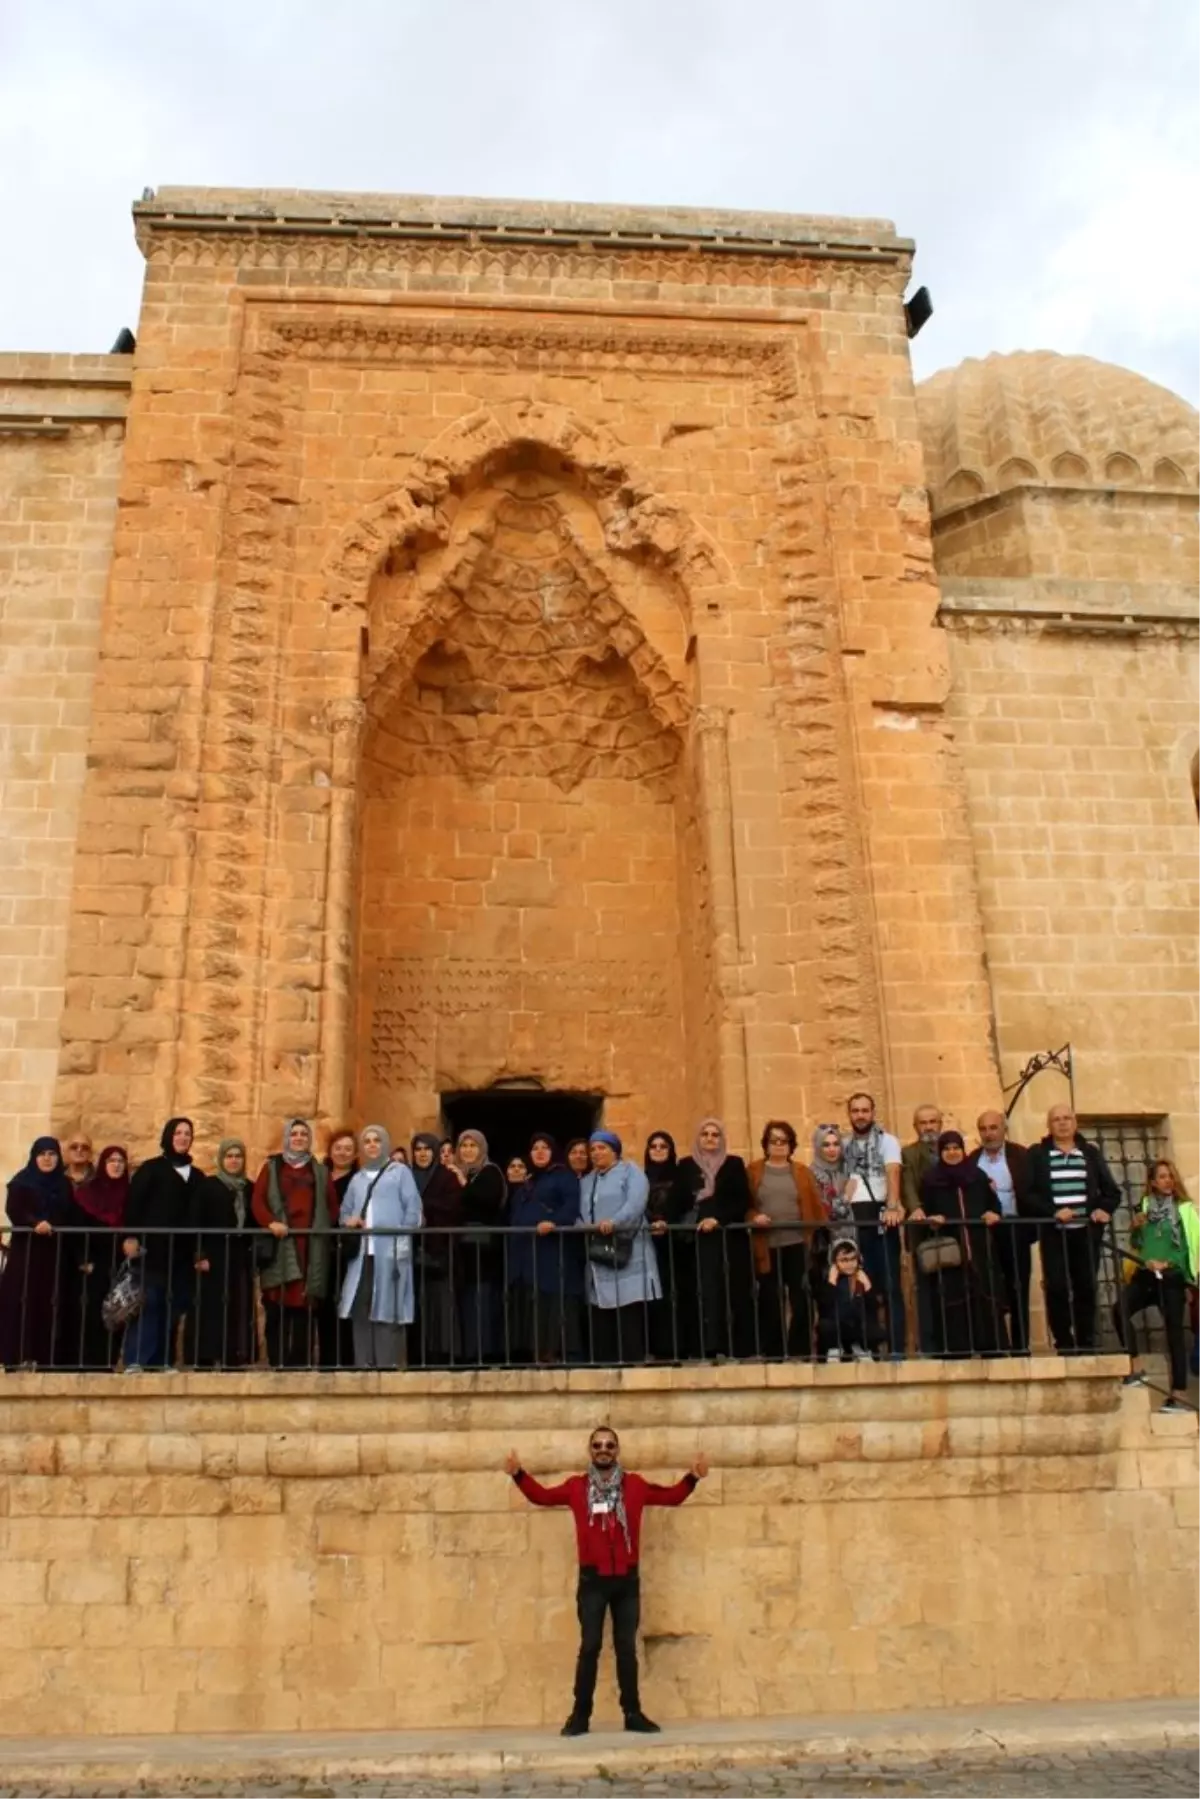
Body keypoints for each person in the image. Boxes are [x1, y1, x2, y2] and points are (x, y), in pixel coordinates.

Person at [505, 1427, 708, 1735]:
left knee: (626, 1648)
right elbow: (542, 1496)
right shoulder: (577, 1487)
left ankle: (633, 1713)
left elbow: (671, 1497)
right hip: (593, 1583)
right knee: (590, 1647)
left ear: (617, 1450)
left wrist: (692, 1477)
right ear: (590, 1451)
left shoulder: (635, 1486)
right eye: (598, 1445)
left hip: (626, 1581)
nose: (603, 1449)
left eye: (609, 1445)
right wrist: (519, 1475)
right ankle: (580, 1716)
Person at [1025, 1103, 1121, 1353]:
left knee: (1086, 1285)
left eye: (1067, 1118)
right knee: (1056, 1286)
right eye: (1056, 1119)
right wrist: (1053, 1212)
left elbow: (1111, 1192)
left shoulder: (1089, 1153)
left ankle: (1086, 1340)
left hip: (1085, 1233)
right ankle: (1064, 1341)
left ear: (1075, 1123)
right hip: (1054, 1231)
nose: (1063, 1123)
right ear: (1049, 1125)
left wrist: (1103, 1209)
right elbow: (1028, 1193)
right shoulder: (1037, 1154)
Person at [1115, 1160, 1198, 1411]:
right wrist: (1135, 1228)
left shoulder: (1185, 1209)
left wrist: (1169, 1263)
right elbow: (1140, 1242)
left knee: (1174, 1333)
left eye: (1170, 1176)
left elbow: (1189, 1247)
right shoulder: (1145, 1207)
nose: (1167, 1181)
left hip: (1172, 1276)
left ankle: (1179, 1393)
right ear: (1152, 1182)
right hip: (1146, 1274)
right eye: (1161, 1177)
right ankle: (1136, 1366)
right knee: (1119, 1310)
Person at [916, 1131, 1008, 1356]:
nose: (952, 1152)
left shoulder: (977, 1176)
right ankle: (957, 1351)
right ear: (941, 1152)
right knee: (952, 1302)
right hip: (949, 1251)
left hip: (979, 1248)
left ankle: (991, 1349)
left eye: (956, 1148)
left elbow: (994, 1205)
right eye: (947, 1149)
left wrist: (992, 1214)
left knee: (985, 1298)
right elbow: (924, 1212)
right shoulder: (931, 1180)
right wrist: (932, 1220)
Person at [338, 1125, 422, 1370]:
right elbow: (344, 1213)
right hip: (363, 1255)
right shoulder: (357, 1178)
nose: (372, 1145)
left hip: (391, 1252)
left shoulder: (400, 1173)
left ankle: (388, 1365)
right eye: (367, 1141)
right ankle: (363, 1364)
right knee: (361, 1307)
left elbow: (413, 1210)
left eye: (376, 1140)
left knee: (389, 1309)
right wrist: (350, 1221)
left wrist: (400, 1237)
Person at [251, 1117, 332, 1368]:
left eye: (303, 1135)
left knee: (304, 1309)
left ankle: (300, 1364)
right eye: (294, 1134)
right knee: (277, 1305)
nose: (298, 1138)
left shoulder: (319, 1171)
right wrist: (270, 1223)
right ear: (287, 1138)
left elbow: (331, 1205)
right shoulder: (272, 1167)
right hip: (281, 1244)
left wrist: (319, 1227)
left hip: (309, 1247)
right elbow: (258, 1201)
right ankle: (278, 1362)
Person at [672, 1118, 755, 1359]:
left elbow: (742, 1200)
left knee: (730, 1291)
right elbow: (675, 1202)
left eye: (715, 1135)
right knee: (700, 1291)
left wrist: (718, 1218)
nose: (710, 1139)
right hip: (696, 1240)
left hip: (728, 1237)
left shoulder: (734, 1164)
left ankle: (732, 1347)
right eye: (705, 1134)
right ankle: (702, 1347)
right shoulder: (686, 1166)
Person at [121, 1117, 198, 1371]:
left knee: (172, 1307)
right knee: (148, 1303)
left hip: (181, 1254)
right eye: (178, 1133)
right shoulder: (151, 1169)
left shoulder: (196, 1175)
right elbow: (134, 1204)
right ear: (169, 1136)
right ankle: (137, 1359)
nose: (183, 1137)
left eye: (187, 1133)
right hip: (152, 1250)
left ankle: (162, 1360)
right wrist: (131, 1237)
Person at [747, 1119, 826, 1358]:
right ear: (766, 1144)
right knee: (770, 1299)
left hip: (798, 1243)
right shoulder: (753, 1171)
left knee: (801, 1299)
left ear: (791, 1145)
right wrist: (754, 1216)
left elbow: (815, 1204)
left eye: (784, 1141)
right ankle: (774, 1352)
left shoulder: (802, 1172)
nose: (779, 1145)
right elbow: (746, 1204)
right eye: (774, 1141)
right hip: (766, 1245)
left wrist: (820, 1232)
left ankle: (799, 1351)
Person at [580, 1130, 658, 1365]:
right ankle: (606, 1364)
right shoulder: (587, 1180)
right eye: (593, 1149)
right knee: (601, 1310)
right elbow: (580, 1211)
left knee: (629, 1309)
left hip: (628, 1249)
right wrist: (583, 1226)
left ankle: (632, 1362)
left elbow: (635, 1203)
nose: (596, 1153)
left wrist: (614, 1223)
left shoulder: (630, 1172)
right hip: (599, 1252)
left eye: (602, 1148)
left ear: (615, 1150)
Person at [507, 1134, 582, 1364]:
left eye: (545, 1148)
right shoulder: (529, 1182)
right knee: (534, 1302)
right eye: (535, 1148)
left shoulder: (564, 1177)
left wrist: (554, 1222)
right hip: (529, 1254)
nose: (539, 1152)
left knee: (553, 1301)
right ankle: (535, 1353)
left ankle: (556, 1353)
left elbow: (571, 1207)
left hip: (553, 1252)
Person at [842, 1093, 906, 1355]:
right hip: (853, 1215)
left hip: (879, 1211)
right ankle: (868, 1348)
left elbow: (893, 1171)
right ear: (849, 1114)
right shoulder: (845, 1145)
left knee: (890, 1285)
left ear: (873, 1112)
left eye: (865, 1110)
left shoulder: (887, 1141)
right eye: (855, 1111)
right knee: (860, 1283)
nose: (860, 1115)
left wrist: (892, 1206)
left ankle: (896, 1348)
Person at [0, 1136, 71, 1368]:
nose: (48, 1159)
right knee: (22, 1301)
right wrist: (35, 1223)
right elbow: (14, 1209)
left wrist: (51, 1223)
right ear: (34, 1157)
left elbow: (69, 1212)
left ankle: (45, 1358)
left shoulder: (63, 1184)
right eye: (43, 1154)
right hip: (27, 1252)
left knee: (48, 1302)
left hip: (52, 1253)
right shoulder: (22, 1182)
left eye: (52, 1154)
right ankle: (18, 1356)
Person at [57, 1143, 129, 1370]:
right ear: (103, 1164)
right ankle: (85, 1364)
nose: (116, 1165)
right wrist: (83, 1259)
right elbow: (78, 1228)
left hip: (120, 1264)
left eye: (120, 1161)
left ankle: (108, 1363)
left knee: (117, 1315)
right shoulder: (88, 1193)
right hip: (93, 1264)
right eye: (111, 1161)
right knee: (90, 1314)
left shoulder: (131, 1193)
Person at [188, 1138, 257, 1368]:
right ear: (221, 1159)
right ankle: (205, 1357)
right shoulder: (208, 1186)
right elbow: (195, 1221)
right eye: (229, 1156)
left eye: (238, 1156)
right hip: (213, 1255)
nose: (234, 1160)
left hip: (239, 1256)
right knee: (209, 1307)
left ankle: (234, 1356)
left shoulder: (249, 1187)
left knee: (237, 1306)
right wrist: (199, 1254)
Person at [968, 1111, 1034, 1353]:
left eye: (993, 1127)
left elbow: (1031, 1190)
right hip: (986, 1231)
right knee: (989, 1287)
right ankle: (994, 1343)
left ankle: (1020, 1346)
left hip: (1015, 1228)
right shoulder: (973, 1159)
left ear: (1004, 1129)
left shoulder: (1021, 1155)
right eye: (983, 1129)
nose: (989, 1133)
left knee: (1019, 1286)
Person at [450, 1128, 507, 1364]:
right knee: (466, 1301)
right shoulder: (460, 1174)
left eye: (473, 1146)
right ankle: (468, 1353)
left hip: (484, 1250)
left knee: (482, 1301)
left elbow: (485, 1202)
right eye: (464, 1146)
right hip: (465, 1250)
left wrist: (463, 1184)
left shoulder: (490, 1172)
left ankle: (485, 1354)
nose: (468, 1151)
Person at [410, 1129, 463, 1366]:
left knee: (440, 1306)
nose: (422, 1154)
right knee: (417, 1305)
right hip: (411, 1251)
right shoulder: (407, 1176)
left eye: (427, 1149)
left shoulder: (446, 1177)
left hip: (440, 1252)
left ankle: (441, 1357)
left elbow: (453, 1209)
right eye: (418, 1149)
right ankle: (416, 1356)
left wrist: (425, 1206)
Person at [901, 1103, 943, 1354]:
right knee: (924, 1287)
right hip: (922, 1228)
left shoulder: (952, 1148)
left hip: (950, 1228)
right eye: (923, 1123)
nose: (928, 1127)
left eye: (932, 1122)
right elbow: (906, 1184)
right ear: (916, 1127)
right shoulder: (909, 1153)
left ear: (940, 1123)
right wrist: (916, 1208)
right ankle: (929, 1345)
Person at [318, 1127, 359, 1370]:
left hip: (347, 1250)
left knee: (346, 1304)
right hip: (322, 1249)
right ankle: (326, 1361)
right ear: (330, 1151)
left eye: (348, 1149)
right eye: (338, 1148)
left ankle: (346, 1362)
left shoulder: (359, 1180)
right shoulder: (320, 1177)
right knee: (323, 1307)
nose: (342, 1153)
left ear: (355, 1154)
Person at [643, 1130, 682, 1358]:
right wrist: (651, 1223)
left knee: (672, 1294)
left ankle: (672, 1349)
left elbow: (685, 1202)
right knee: (651, 1296)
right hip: (648, 1242)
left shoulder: (679, 1176)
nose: (658, 1150)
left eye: (663, 1146)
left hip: (674, 1243)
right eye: (653, 1146)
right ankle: (652, 1348)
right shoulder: (640, 1177)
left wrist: (667, 1222)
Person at [817, 1237, 885, 1362]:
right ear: (834, 1262)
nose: (849, 1264)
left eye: (853, 1259)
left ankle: (861, 1348)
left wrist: (867, 1285)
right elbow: (824, 1308)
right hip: (839, 1328)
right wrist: (832, 1282)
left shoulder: (863, 1276)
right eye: (844, 1260)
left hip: (858, 1327)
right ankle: (836, 1350)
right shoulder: (828, 1280)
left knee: (874, 1329)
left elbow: (874, 1307)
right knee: (826, 1325)